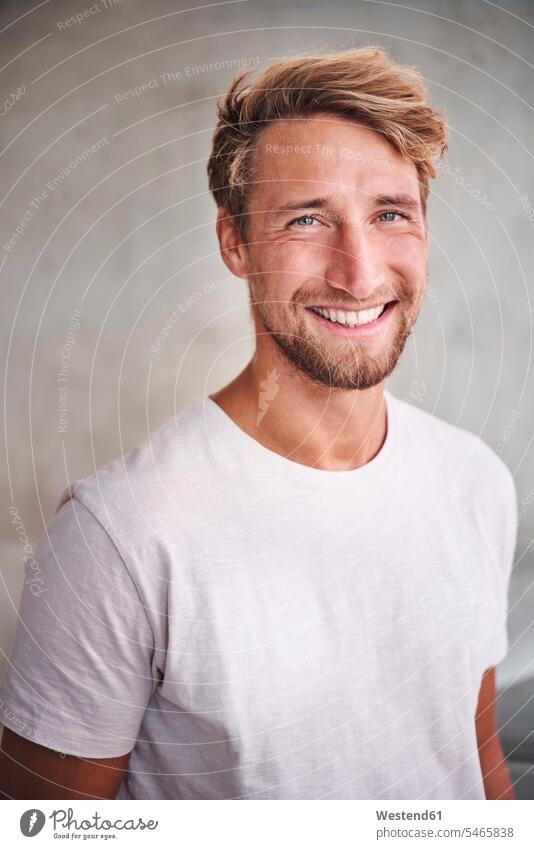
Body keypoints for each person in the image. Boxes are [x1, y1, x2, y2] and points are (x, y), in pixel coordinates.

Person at [0, 46, 517, 800]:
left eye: (390, 214)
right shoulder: (120, 535)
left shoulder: (476, 481)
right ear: (234, 243)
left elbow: (473, 768)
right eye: (307, 218)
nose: (361, 270)